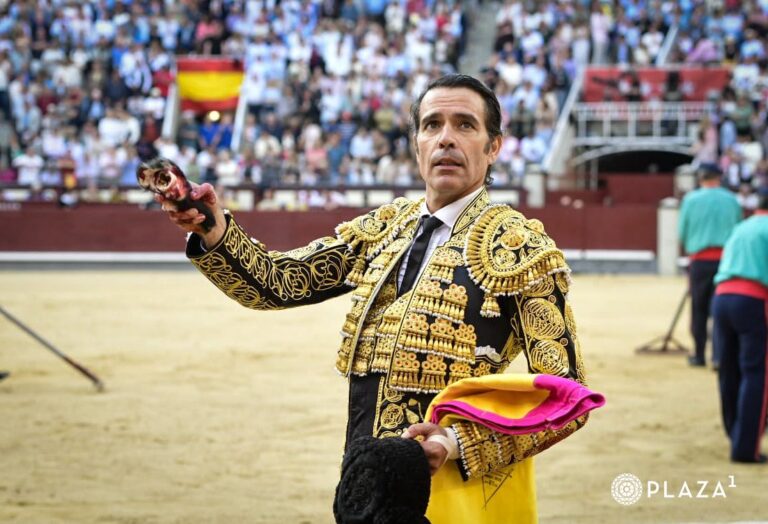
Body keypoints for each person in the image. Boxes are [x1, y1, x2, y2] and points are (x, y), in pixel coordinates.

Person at [158, 74, 591, 522]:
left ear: (493, 146)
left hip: (454, 491)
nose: (445, 138)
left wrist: (458, 443)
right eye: (432, 125)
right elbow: (279, 283)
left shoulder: (521, 247)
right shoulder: (385, 228)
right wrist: (213, 229)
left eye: (465, 125)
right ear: (416, 144)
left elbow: (568, 397)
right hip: (364, 484)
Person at [711, 194, 768, 464]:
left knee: (729, 370)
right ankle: (746, 448)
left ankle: (735, 433)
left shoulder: (741, 227)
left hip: (722, 299)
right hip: (753, 300)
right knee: (756, 372)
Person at [678, 165, 742, 367]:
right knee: (719, 310)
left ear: (700, 178)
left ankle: (699, 355)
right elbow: (738, 230)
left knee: (699, 309)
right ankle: (718, 356)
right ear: (719, 178)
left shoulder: (691, 200)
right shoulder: (731, 200)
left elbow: (682, 233)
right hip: (726, 262)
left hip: (699, 261)